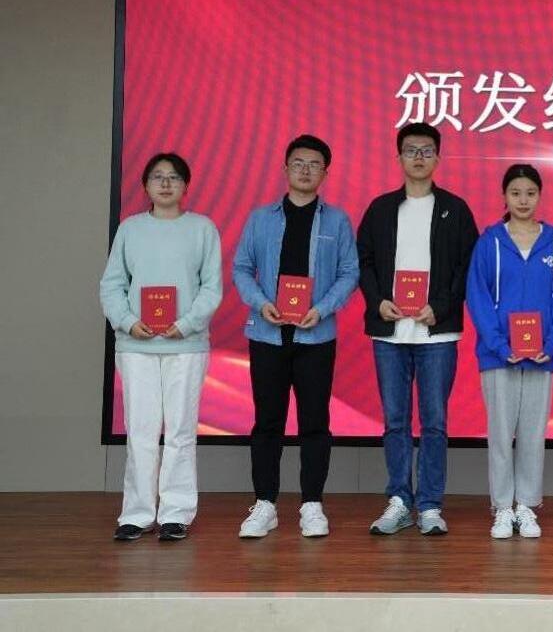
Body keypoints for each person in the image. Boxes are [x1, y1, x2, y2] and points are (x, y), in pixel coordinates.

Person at [231, 134, 359, 539]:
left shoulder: (337, 221)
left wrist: (322, 308)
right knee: (267, 422)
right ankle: (265, 504)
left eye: (314, 164)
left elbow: (350, 272)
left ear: (325, 173)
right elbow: (241, 268)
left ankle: (312, 504)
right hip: (267, 333)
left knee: (315, 422)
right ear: (286, 168)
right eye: (298, 163)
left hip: (315, 336)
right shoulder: (260, 219)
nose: (305, 170)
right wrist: (260, 303)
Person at [358, 123, 478, 536]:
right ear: (399, 158)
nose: (419, 158)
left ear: (438, 158)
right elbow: (364, 261)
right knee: (395, 421)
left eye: (427, 150)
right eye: (411, 150)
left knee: (434, 423)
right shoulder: (381, 209)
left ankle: (429, 504)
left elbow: (467, 266)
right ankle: (398, 500)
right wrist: (378, 301)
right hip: (390, 333)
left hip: (436, 334)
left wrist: (440, 307)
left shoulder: (455, 209)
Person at [100, 152, 222, 541]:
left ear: (186, 186)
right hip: (136, 345)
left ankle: (176, 513)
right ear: (146, 185)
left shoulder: (202, 229)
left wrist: (185, 325)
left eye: (174, 177)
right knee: (140, 431)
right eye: (157, 176)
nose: (166, 183)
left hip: (186, 345)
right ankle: (136, 514)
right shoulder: (130, 229)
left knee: (181, 431)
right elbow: (112, 284)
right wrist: (127, 322)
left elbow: (212, 287)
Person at [465, 164, 553, 539]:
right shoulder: (490, 242)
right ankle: (501, 507)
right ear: (504, 197)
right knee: (500, 433)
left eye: (530, 193)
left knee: (532, 433)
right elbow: (478, 297)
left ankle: (526, 506)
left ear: (539, 196)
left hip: (542, 357)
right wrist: (499, 344)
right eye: (516, 193)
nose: (523, 200)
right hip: (498, 356)